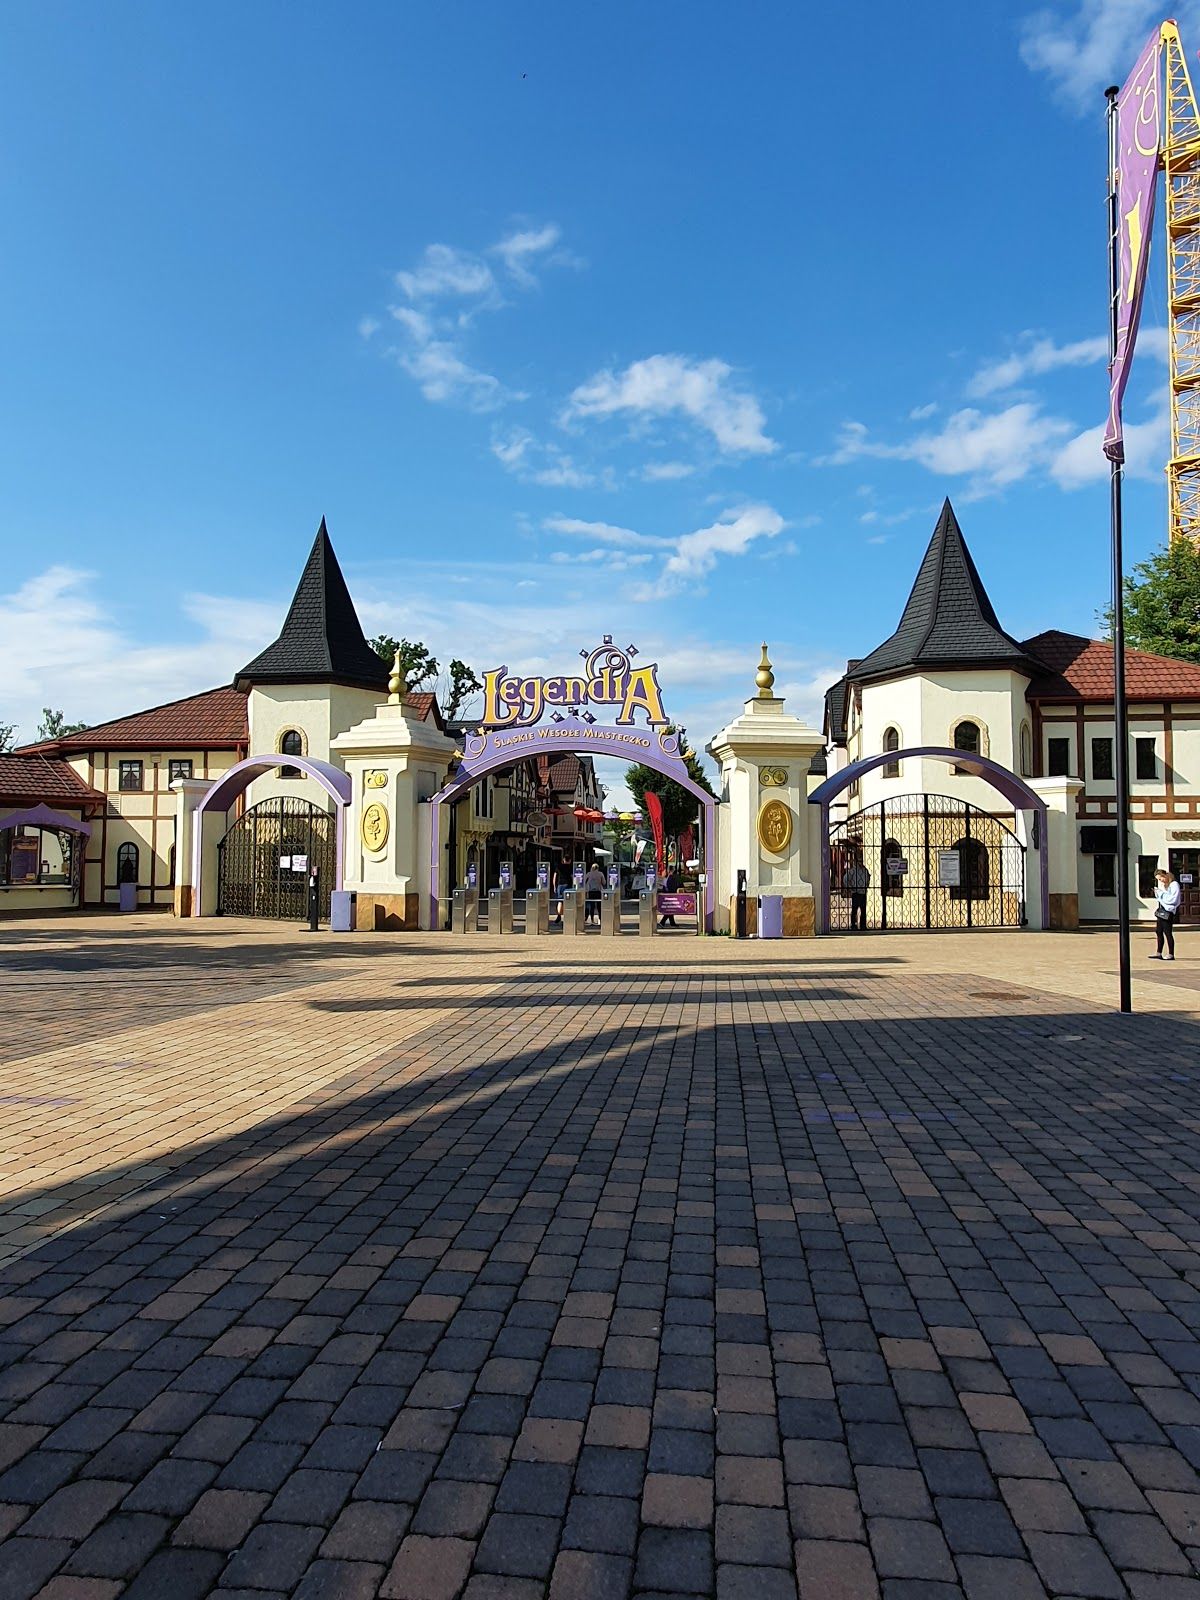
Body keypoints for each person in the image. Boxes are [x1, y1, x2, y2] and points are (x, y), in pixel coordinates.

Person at [1151, 867, 1181, 961]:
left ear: (1165, 875)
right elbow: (1162, 898)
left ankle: (1171, 954)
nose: (1161, 881)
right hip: (1162, 910)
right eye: (1159, 880)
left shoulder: (1174, 884)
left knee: (1168, 932)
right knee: (1158, 931)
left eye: (1161, 879)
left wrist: (1161, 895)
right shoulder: (1165, 885)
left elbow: (1173, 899)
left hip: (1169, 911)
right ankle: (1158, 952)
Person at [844, 855, 870, 931]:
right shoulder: (853, 871)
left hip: (863, 892)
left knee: (863, 909)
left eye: (862, 861)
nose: (861, 862)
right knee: (854, 909)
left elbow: (868, 878)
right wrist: (849, 887)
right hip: (856, 892)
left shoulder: (865, 870)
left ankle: (863, 925)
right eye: (859, 861)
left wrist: (866, 885)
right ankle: (853, 925)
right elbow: (846, 878)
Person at [584, 861, 605, 925]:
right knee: (599, 906)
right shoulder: (600, 874)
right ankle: (600, 919)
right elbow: (604, 882)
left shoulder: (588, 874)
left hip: (590, 891)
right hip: (598, 891)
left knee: (591, 906)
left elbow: (584, 881)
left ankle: (592, 919)